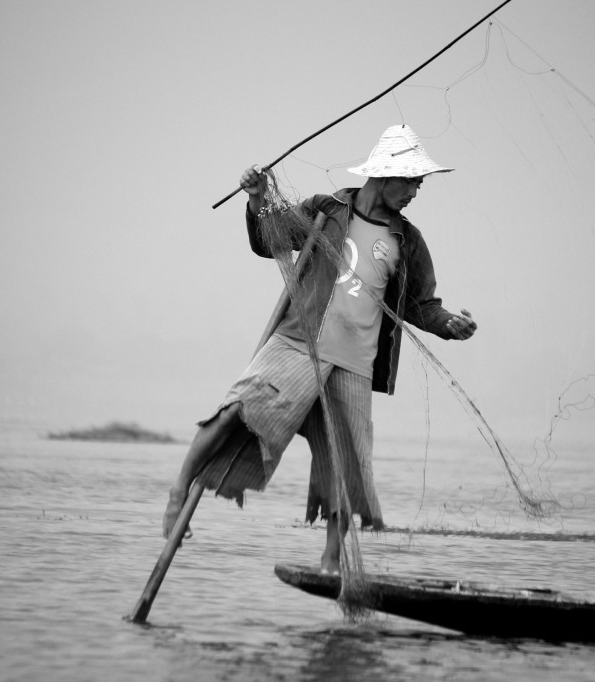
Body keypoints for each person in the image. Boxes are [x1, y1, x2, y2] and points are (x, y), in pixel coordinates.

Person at [162, 124, 477, 573]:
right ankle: (177, 493)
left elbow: (421, 306)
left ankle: (332, 563)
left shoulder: (408, 240)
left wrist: (451, 324)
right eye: (410, 181)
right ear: (385, 175)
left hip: (355, 364)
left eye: (419, 183)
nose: (414, 192)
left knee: (346, 465)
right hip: (298, 342)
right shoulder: (326, 211)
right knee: (236, 410)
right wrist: (256, 199)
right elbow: (269, 238)